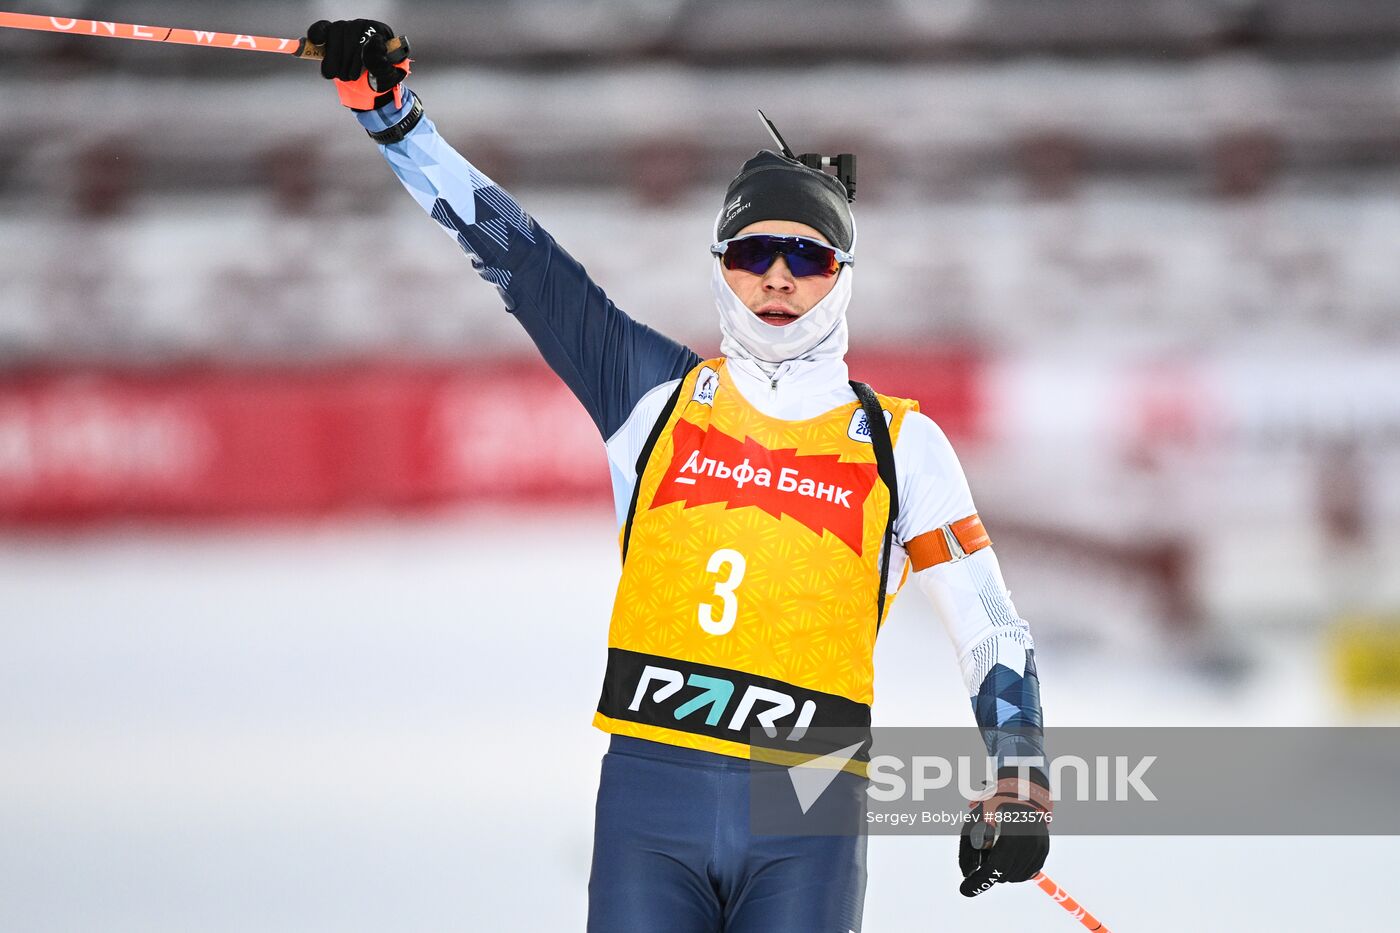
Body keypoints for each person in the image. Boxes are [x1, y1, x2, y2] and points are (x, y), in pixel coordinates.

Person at [307, 18, 1050, 931]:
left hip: (808, 803)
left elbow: (990, 622)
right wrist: (396, 121)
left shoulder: (899, 443)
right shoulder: (651, 394)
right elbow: (526, 265)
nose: (777, 277)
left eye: (807, 256)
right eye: (752, 253)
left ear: (841, 276)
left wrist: (1019, 776)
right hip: (649, 799)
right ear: (721, 268)